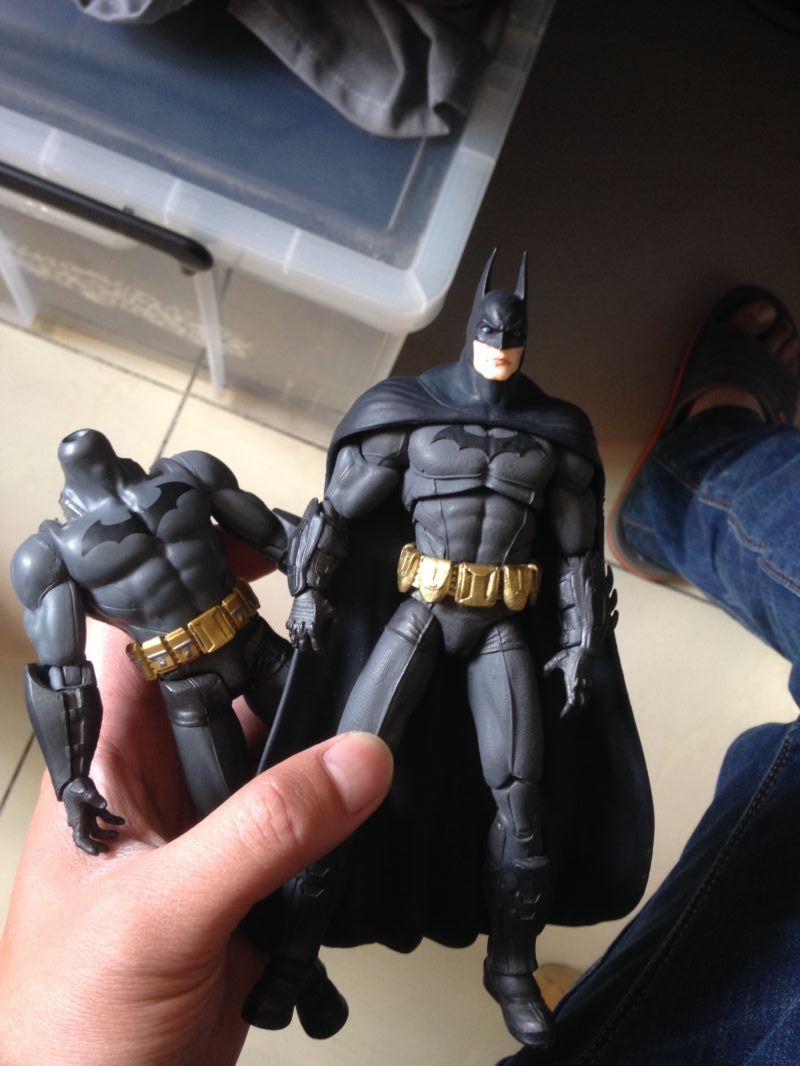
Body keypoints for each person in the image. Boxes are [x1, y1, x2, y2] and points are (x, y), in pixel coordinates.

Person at [0, 286, 798, 1065]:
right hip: (376, 628)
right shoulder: (404, 423)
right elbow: (330, 523)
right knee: (289, 797)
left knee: (517, 800)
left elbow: (576, 558)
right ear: (474, 335)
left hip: (488, 627)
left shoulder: (553, 442)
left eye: (510, 336)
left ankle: (510, 967)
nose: (499, 349)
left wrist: (582, 637)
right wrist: (73, 778)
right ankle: (294, 962)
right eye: (490, 333)